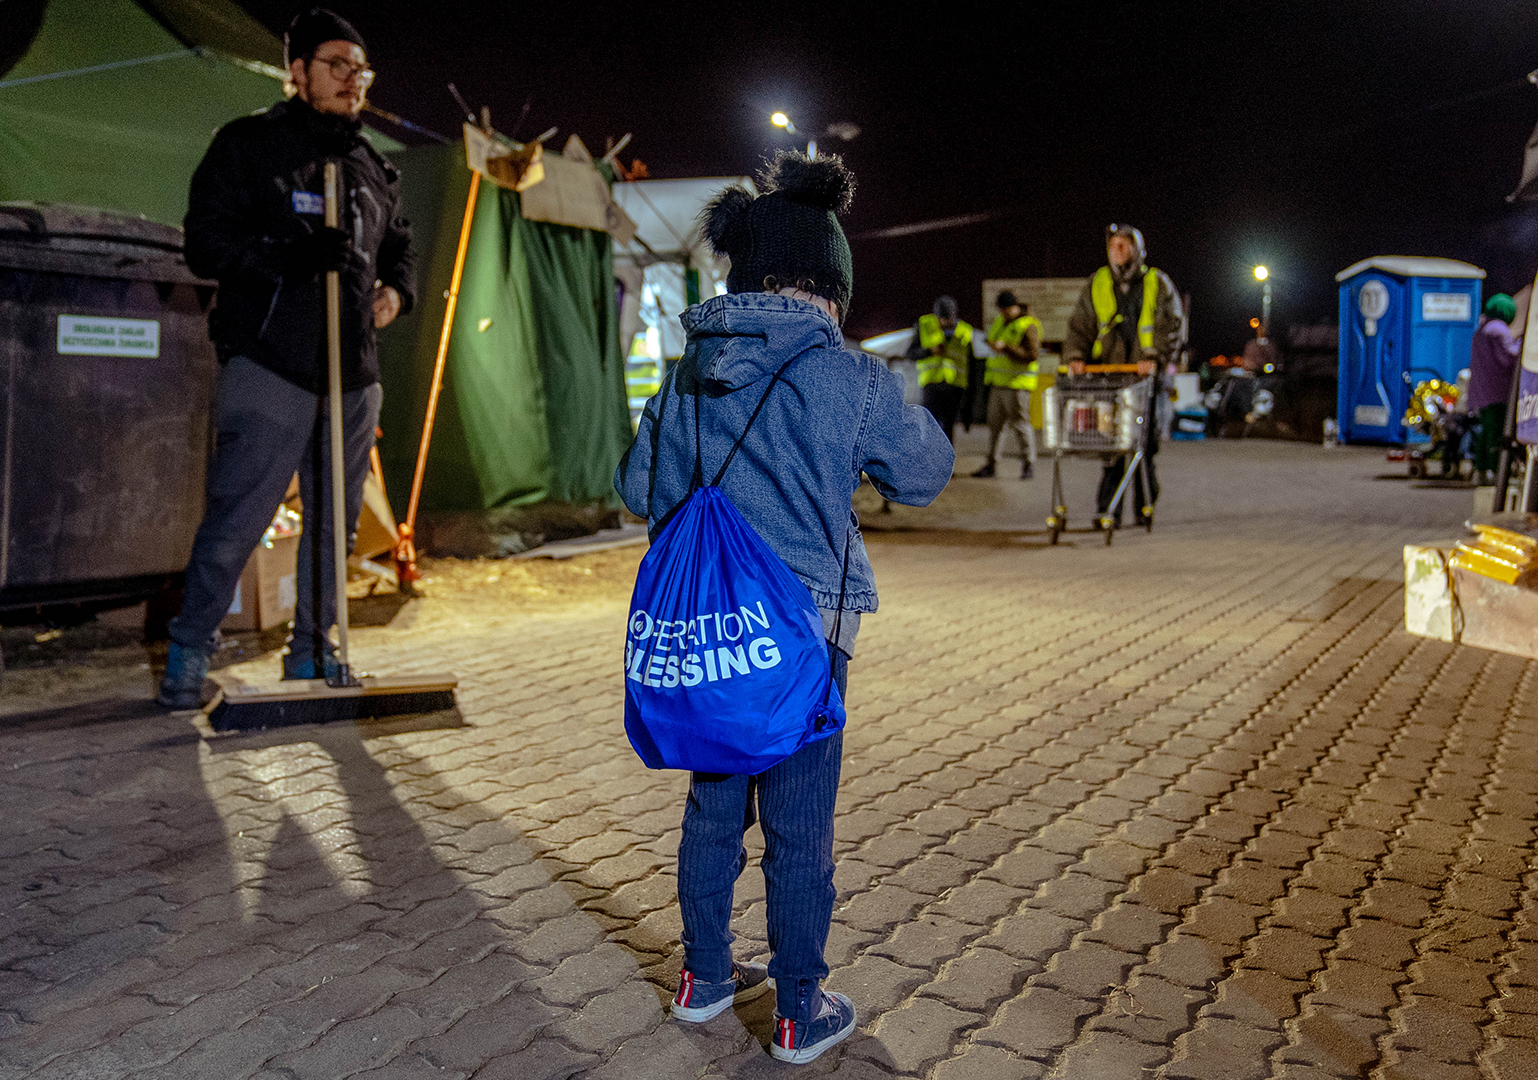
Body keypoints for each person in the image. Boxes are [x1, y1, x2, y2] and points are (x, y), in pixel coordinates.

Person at [615, 151, 952, 1065]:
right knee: (800, 829)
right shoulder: (848, 377)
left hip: (713, 636)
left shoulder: (686, 373)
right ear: (828, 287)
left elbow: (633, 484)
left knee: (712, 808)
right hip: (807, 641)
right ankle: (801, 1009)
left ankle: (704, 977)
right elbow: (923, 474)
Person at [157, 8, 414, 708]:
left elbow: (399, 249)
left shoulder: (370, 168)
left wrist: (397, 291)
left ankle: (313, 653)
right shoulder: (248, 148)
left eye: (360, 71)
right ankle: (188, 656)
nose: (351, 81)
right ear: (295, 72)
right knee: (239, 515)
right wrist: (283, 258)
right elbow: (205, 243)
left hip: (352, 376)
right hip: (271, 364)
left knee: (335, 526)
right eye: (336, 65)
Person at [1062, 224, 1183, 525]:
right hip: (1109, 377)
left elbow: (1172, 324)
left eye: (1124, 245)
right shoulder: (1098, 283)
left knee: (1143, 446)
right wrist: (1076, 357)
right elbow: (1081, 323)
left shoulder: (1157, 282)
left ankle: (1144, 508)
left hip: (1143, 379)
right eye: (1113, 245)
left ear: (1137, 249)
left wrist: (1153, 356)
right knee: (1110, 444)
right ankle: (1108, 512)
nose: (1118, 251)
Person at [972, 290, 1041, 479]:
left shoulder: (1028, 325)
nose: (1002, 313)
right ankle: (991, 464)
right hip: (998, 384)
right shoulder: (1000, 322)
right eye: (1001, 310)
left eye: (1005, 309)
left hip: (1017, 385)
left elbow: (1032, 355)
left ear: (1015, 307)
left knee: (1020, 425)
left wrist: (1006, 348)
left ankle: (1028, 464)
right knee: (995, 426)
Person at [1466, 293, 1521, 485]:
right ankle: (1498, 474)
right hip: (1498, 392)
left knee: (1485, 433)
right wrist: (1522, 343)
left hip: (1482, 392)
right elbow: (1509, 358)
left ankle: (1480, 471)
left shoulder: (1481, 330)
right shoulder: (1499, 330)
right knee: (1497, 435)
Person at [905, 295, 974, 443]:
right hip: (932, 384)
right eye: (941, 318)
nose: (944, 322)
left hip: (955, 386)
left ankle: (946, 461)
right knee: (930, 424)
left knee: (949, 426)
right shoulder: (924, 324)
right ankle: (930, 460)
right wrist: (930, 352)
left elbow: (971, 363)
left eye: (948, 319)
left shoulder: (965, 330)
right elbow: (910, 354)